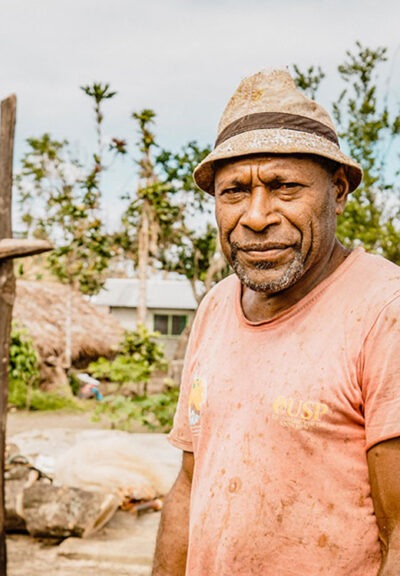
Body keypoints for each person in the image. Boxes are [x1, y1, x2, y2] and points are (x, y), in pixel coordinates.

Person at [152, 68, 400, 575]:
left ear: (337, 191)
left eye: (284, 186)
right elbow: (189, 483)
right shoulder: (218, 305)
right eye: (235, 192)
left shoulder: (384, 311)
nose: (257, 215)